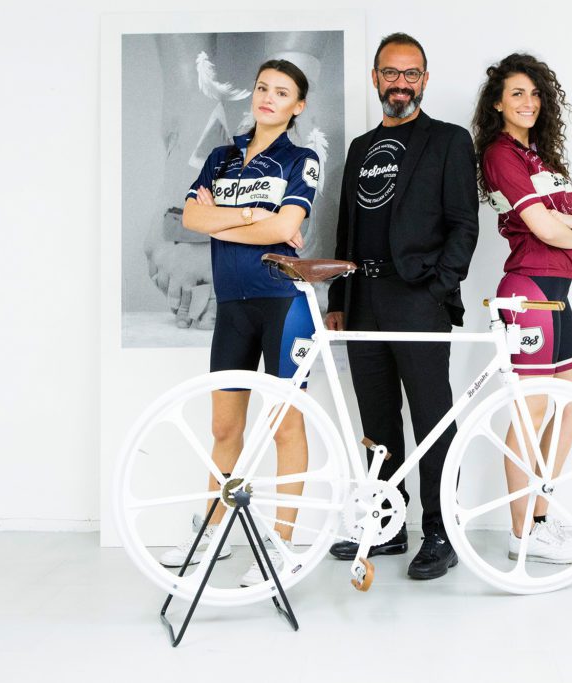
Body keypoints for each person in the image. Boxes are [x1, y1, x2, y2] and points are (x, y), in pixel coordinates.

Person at [157, 59, 321, 586]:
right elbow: (190, 218)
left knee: (284, 425)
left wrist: (223, 221)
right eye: (262, 88)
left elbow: (285, 225)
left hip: (283, 304)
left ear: (298, 106)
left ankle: (281, 542)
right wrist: (255, 217)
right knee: (225, 428)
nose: (268, 97)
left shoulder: (302, 159)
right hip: (233, 307)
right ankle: (213, 531)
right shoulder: (221, 157)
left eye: (282, 92)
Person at [325, 33, 479, 580]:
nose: (400, 83)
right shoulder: (360, 148)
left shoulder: (449, 141)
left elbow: (464, 224)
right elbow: (346, 227)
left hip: (418, 298)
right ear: (375, 79)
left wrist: (438, 288)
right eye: (390, 73)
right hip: (362, 298)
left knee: (432, 419)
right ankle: (388, 524)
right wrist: (339, 297)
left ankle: (441, 531)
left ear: (424, 80)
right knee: (377, 419)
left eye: (411, 74)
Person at [472, 53, 572, 564]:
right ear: (498, 103)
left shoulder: (543, 159)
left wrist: (569, 223)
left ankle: (539, 521)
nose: (528, 102)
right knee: (533, 410)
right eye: (517, 93)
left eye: (534, 93)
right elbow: (552, 228)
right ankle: (521, 532)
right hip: (528, 291)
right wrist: (570, 226)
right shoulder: (501, 155)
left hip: (557, 294)